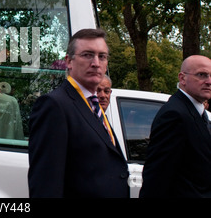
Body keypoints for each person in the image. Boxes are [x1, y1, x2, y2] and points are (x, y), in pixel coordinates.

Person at [28, 28, 129, 198]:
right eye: (88, 55)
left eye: (102, 56)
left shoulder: (92, 104)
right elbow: (45, 183)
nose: (96, 63)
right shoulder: (54, 105)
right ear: (69, 61)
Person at [140, 55, 211, 198]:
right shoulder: (174, 115)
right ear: (182, 78)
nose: (209, 81)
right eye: (202, 75)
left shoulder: (197, 112)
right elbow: (157, 175)